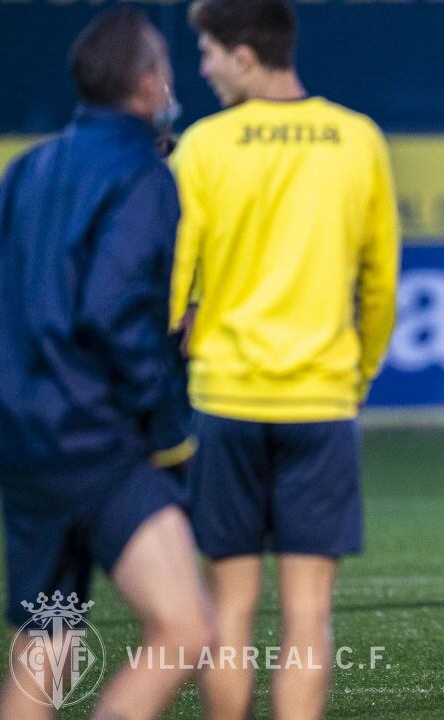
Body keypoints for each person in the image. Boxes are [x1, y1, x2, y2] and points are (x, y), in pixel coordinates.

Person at [169, 0, 400, 717]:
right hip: (321, 405)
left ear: (244, 55)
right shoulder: (356, 138)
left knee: (229, 614)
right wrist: (357, 376)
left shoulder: (202, 147)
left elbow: (173, 286)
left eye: (207, 52)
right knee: (307, 618)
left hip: (225, 402)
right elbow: (381, 282)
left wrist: (177, 364)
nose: (202, 68)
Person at [0, 9, 215, 719]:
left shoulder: (28, 168)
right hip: (98, 441)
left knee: (47, 634)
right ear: (148, 81)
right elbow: (113, 312)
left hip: (27, 443)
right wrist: (166, 432)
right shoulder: (145, 176)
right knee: (185, 629)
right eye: (166, 69)